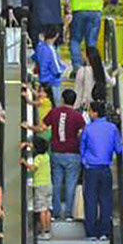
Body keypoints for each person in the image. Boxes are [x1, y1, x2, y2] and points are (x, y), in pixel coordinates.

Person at [41, 88, 86, 222]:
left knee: (56, 183)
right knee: (70, 183)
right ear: (74, 100)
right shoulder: (78, 116)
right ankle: (68, 214)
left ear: (62, 99)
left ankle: (55, 213)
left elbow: (43, 126)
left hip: (56, 153)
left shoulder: (55, 112)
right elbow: (83, 133)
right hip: (73, 153)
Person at [79, 101, 121, 241]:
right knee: (105, 200)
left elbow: (82, 149)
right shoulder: (112, 128)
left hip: (91, 169)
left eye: (90, 111)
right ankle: (104, 232)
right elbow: (119, 149)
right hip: (105, 169)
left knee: (90, 201)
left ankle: (91, 233)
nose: (89, 114)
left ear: (95, 113)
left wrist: (85, 162)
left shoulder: (88, 129)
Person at [20, 135, 52, 239]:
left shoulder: (38, 158)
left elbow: (33, 168)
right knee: (47, 209)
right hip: (48, 184)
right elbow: (38, 146)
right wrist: (27, 144)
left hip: (40, 185)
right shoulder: (46, 156)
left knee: (41, 209)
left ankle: (43, 232)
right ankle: (48, 230)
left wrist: (24, 163)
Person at [74, 44, 116, 111]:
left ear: (87, 57)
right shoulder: (100, 69)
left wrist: (75, 107)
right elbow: (111, 83)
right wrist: (114, 76)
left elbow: (78, 90)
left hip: (85, 105)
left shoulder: (82, 71)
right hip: (97, 106)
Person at [34, 24, 66, 104]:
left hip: (42, 79)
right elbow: (56, 69)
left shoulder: (40, 46)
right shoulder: (51, 50)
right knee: (55, 104)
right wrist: (63, 68)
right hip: (52, 81)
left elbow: (35, 57)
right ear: (56, 35)